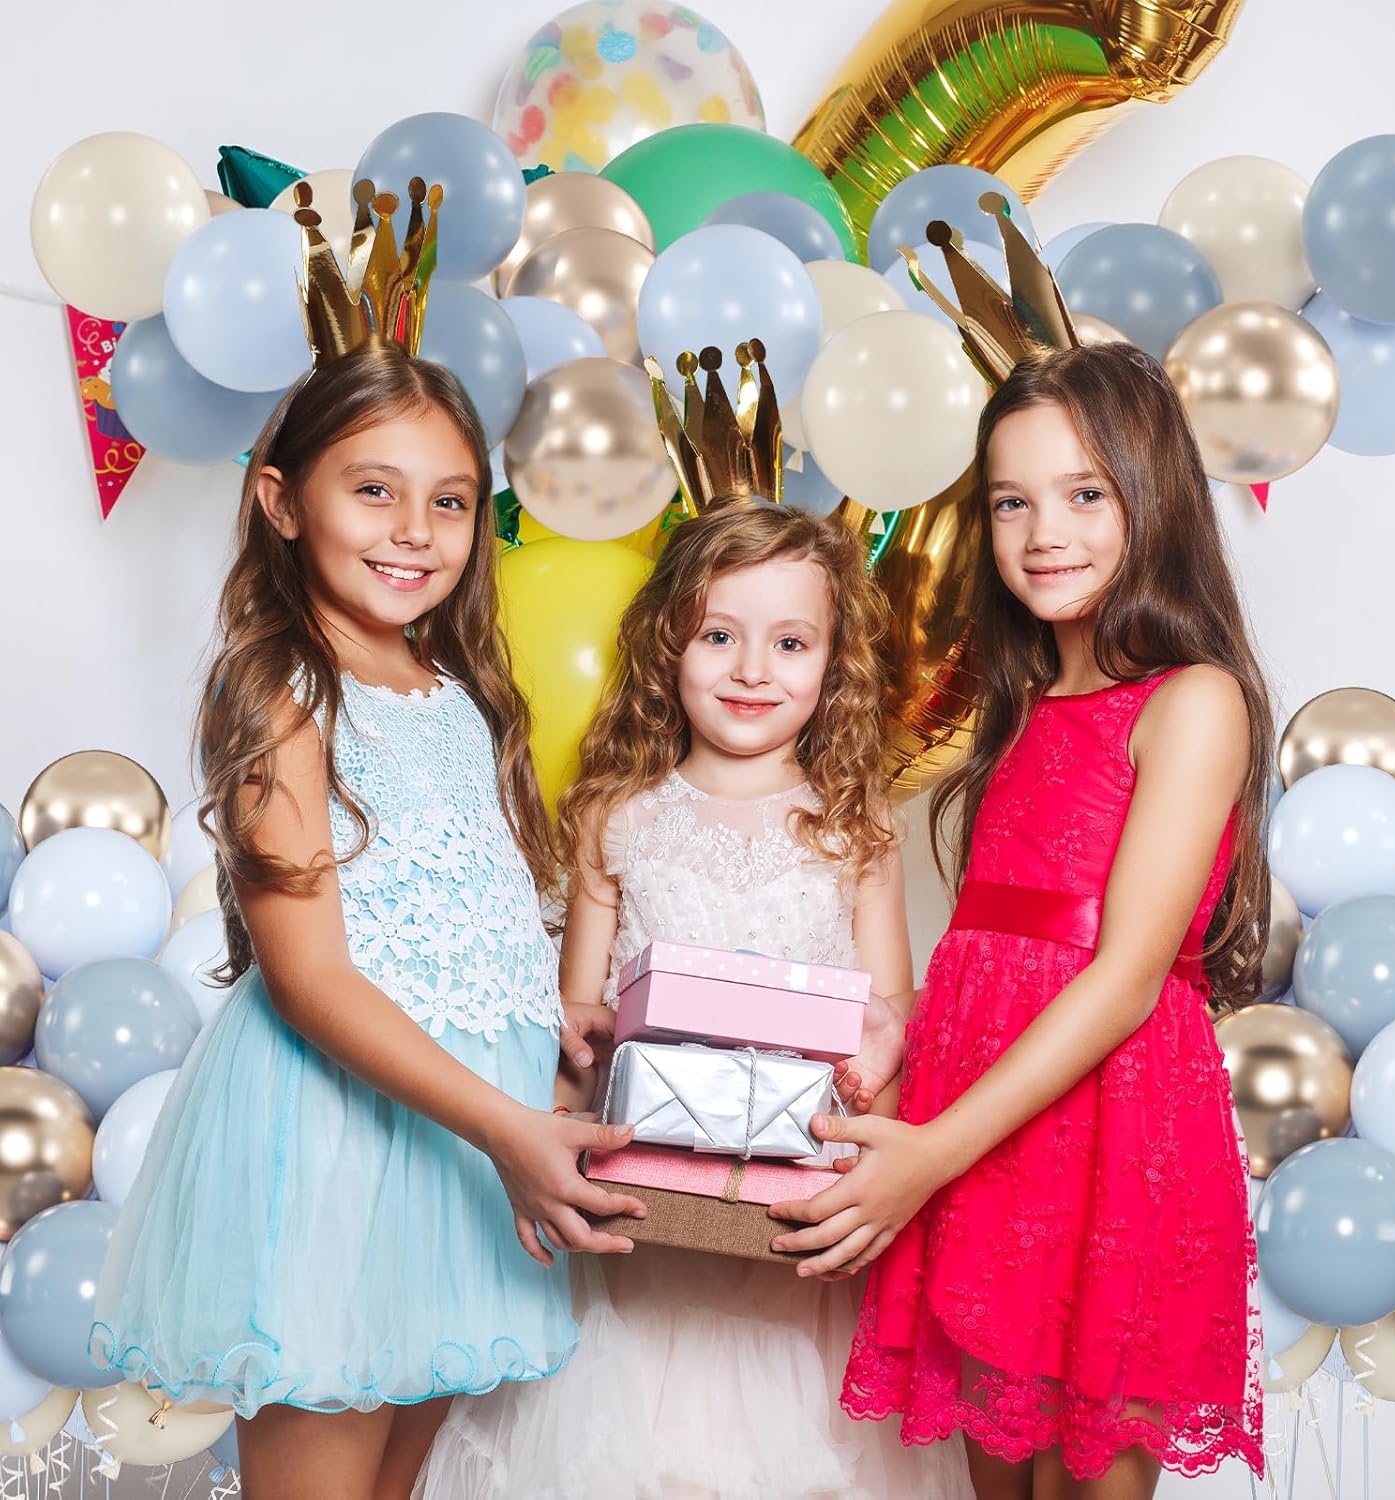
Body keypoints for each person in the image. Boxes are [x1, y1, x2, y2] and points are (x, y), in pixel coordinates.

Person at [89, 346, 643, 1500]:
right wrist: (506, 1127)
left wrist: (543, 1011)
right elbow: (313, 980)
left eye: (450, 501)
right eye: (374, 489)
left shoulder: (459, 696)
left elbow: (455, 911)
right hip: (340, 1141)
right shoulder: (279, 691)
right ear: (283, 500)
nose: (414, 531)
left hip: (455, 1153)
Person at [770, 343, 1270, 1499]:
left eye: (1085, 494)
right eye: (1012, 502)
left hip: (1110, 1134)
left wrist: (929, 1157)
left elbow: (1126, 976)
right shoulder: (1023, 706)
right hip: (984, 1132)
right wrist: (900, 1037)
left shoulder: (1192, 701)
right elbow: (996, 947)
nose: (1045, 532)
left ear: (1153, 497)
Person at [424, 501, 970, 1499]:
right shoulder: (616, 816)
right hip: (642, 1243)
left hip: (793, 1244)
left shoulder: (858, 831)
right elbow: (577, 1030)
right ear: (667, 643)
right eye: (719, 635)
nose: (753, 669)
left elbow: (888, 1020)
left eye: (790, 643)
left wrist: (869, 1189)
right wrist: (555, 1155)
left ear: (835, 662)